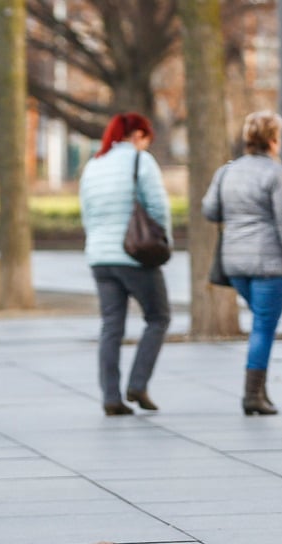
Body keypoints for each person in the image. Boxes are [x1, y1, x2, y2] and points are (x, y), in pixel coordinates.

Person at [202, 111, 282, 416]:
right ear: (273, 140)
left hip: (234, 264)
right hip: (270, 265)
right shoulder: (276, 175)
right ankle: (252, 394)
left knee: (260, 322)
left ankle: (260, 390)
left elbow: (210, 210)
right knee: (263, 327)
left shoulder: (227, 172)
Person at [79, 112, 171, 416]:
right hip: (134, 254)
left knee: (111, 327)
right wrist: (163, 243)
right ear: (138, 136)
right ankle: (138, 383)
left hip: (100, 257)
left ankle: (110, 396)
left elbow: (87, 212)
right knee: (158, 317)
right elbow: (157, 206)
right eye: (146, 139)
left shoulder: (94, 164)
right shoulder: (139, 161)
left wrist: (98, 243)